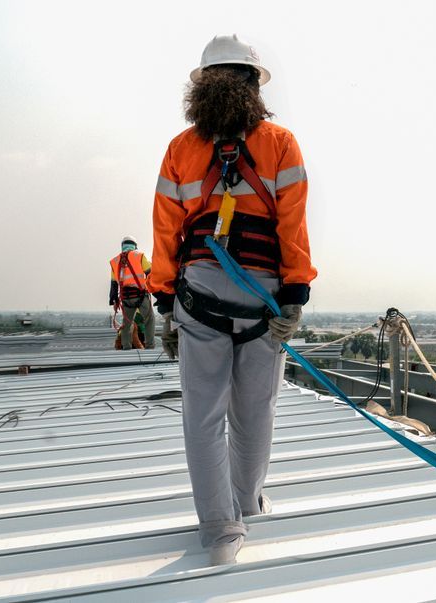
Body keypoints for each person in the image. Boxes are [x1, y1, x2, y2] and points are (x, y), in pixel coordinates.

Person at [148, 35, 317, 566]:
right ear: (252, 86)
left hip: (198, 290)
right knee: (255, 410)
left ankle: (222, 530)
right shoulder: (280, 142)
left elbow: (166, 226)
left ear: (202, 88)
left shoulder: (182, 148)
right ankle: (246, 503)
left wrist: (164, 296)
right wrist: (295, 292)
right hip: (262, 292)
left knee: (202, 414)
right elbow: (292, 224)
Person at [109, 236, 155, 350]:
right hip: (141, 296)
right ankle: (150, 346)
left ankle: (126, 347)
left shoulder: (115, 261)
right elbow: (150, 274)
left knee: (127, 324)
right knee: (149, 319)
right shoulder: (139, 256)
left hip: (126, 298)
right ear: (135, 245)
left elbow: (113, 285)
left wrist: (114, 301)